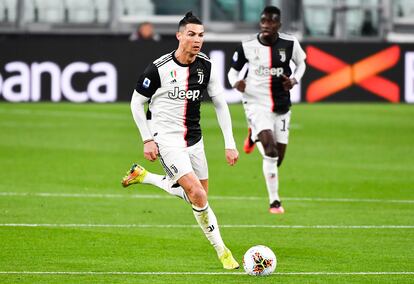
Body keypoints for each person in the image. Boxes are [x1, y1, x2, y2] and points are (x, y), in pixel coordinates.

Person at [121, 11, 240, 270]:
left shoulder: (206, 66)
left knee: (200, 196)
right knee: (197, 194)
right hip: (165, 138)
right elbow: (136, 102)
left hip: (194, 139)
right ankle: (223, 251)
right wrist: (147, 139)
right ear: (179, 36)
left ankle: (146, 177)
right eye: (191, 34)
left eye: (201, 35)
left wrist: (229, 143)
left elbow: (220, 103)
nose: (197, 40)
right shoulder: (159, 68)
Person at [227, 6, 306, 214]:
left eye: (271, 22)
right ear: (260, 24)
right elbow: (232, 73)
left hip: (281, 105)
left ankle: (253, 136)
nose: (267, 26)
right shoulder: (247, 46)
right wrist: (237, 83)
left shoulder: (290, 43)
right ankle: (275, 202)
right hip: (255, 103)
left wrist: (294, 79)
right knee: (270, 151)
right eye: (264, 22)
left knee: (277, 160)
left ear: (278, 25)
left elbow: (302, 64)